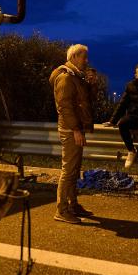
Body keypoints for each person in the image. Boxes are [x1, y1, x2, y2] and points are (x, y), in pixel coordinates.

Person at [49, 44, 95, 224]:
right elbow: (64, 107)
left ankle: (72, 204)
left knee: (74, 169)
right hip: (70, 130)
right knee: (68, 170)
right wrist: (75, 129)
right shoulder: (65, 78)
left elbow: (86, 101)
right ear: (74, 56)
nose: (87, 61)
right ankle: (61, 210)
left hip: (74, 128)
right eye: (84, 57)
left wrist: (92, 84)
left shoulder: (76, 77)